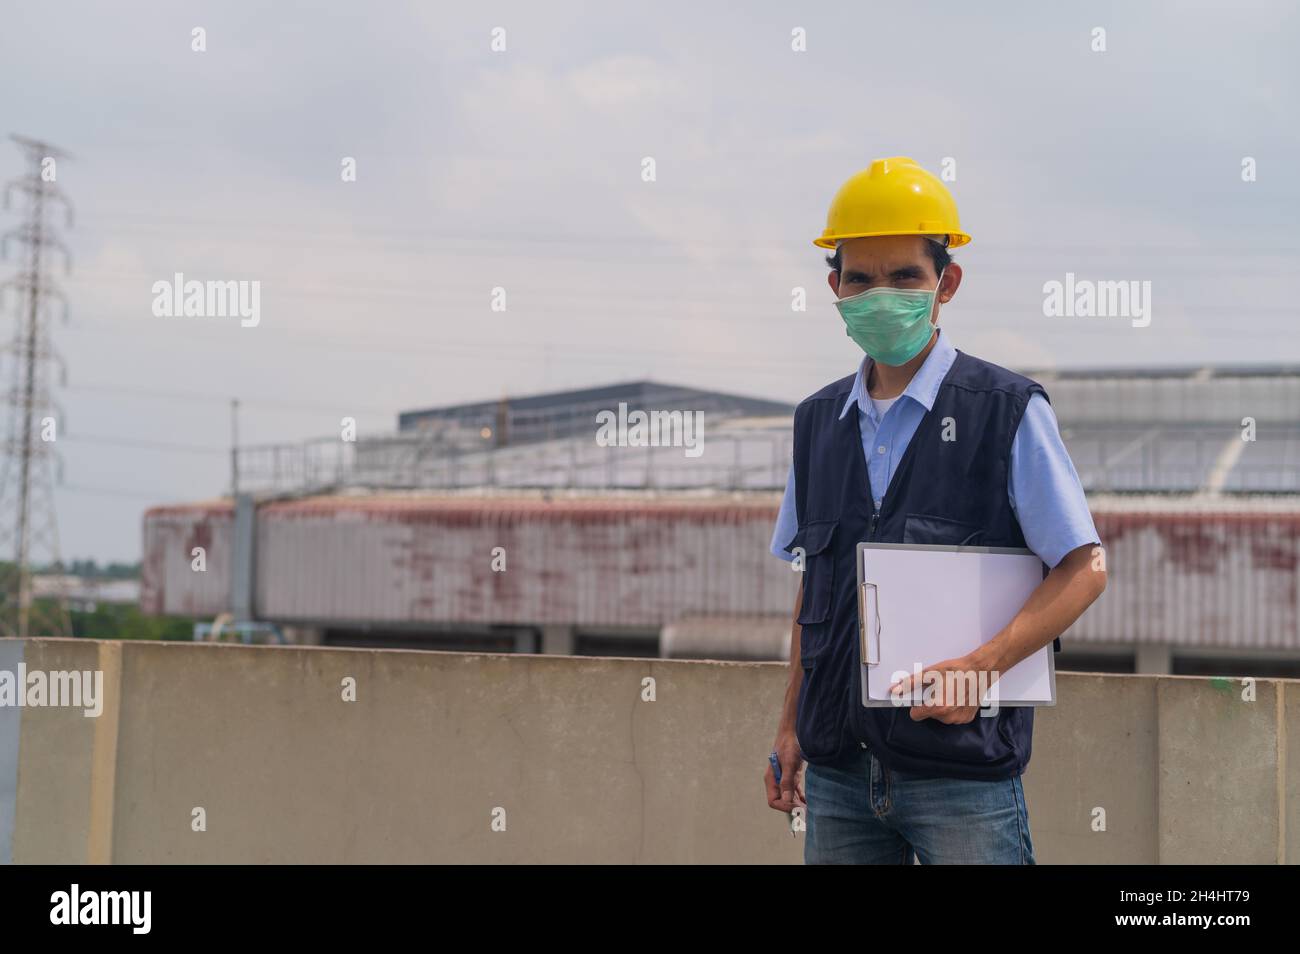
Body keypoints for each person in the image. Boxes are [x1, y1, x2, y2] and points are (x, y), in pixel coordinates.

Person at [763, 157, 1107, 864]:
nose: (879, 295)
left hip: (962, 775)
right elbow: (816, 589)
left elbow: (1084, 568)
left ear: (946, 283)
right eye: (859, 278)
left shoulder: (1005, 411)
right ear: (834, 289)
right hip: (838, 777)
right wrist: (790, 722)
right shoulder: (816, 422)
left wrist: (983, 666)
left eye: (904, 277)